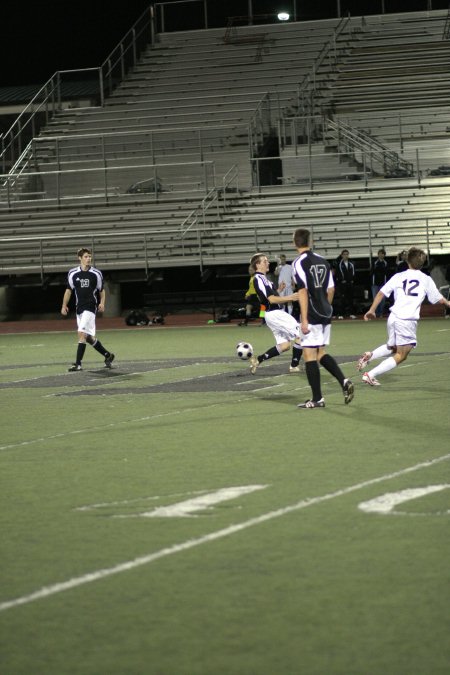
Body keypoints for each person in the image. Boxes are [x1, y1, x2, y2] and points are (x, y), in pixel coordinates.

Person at [358, 246, 450, 386]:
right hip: (406, 320)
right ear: (423, 263)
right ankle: (370, 375)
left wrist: (372, 310)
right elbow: (438, 299)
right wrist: (448, 303)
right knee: (401, 355)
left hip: (393, 317)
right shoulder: (426, 279)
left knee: (393, 347)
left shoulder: (398, 276)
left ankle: (369, 356)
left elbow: (381, 293)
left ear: (407, 261)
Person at [292, 228, 354, 408]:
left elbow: (302, 291)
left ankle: (317, 399)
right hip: (326, 312)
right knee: (320, 352)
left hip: (311, 314)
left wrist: (304, 319)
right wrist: (325, 308)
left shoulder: (298, 263)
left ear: (294, 242)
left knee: (309, 354)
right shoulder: (323, 261)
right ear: (310, 242)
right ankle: (343, 381)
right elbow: (331, 289)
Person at [247, 253, 304, 374]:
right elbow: (271, 299)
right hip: (275, 314)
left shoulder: (264, 279)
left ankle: (258, 360)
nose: (268, 263)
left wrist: (279, 290)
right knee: (301, 334)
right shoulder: (258, 278)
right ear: (258, 265)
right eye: (264, 261)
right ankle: (294, 365)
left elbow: (268, 297)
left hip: (271, 314)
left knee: (284, 345)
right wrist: (290, 297)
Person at [61, 247, 115, 372]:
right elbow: (68, 290)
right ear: (79, 258)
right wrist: (64, 305)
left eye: (90, 256)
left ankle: (78, 364)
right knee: (89, 338)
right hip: (79, 309)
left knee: (81, 333)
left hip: (90, 307)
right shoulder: (72, 273)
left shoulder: (96, 273)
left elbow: (101, 290)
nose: (88, 259)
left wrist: (102, 303)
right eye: (86, 256)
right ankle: (108, 355)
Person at [334, 249, 356, 319]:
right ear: (342, 255)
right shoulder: (339, 264)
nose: (346, 256)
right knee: (342, 299)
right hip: (342, 284)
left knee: (350, 299)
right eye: (344, 254)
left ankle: (351, 313)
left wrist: (352, 280)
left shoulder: (351, 264)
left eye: (347, 254)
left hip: (350, 284)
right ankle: (341, 314)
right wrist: (341, 280)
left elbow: (353, 273)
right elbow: (338, 273)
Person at [370, 248, 388, 317]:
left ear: (384, 255)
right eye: (380, 253)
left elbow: (386, 273)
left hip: (383, 284)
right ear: (378, 255)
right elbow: (372, 272)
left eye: (382, 254)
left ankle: (380, 313)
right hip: (375, 284)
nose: (381, 255)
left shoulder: (385, 263)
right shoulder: (375, 262)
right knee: (375, 298)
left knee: (382, 299)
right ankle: (375, 312)